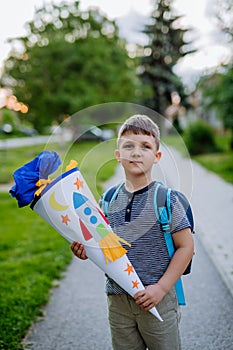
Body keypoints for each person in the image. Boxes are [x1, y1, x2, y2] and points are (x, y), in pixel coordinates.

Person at [71, 114, 194, 350]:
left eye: (145, 146)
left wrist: (161, 288)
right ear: (118, 155)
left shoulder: (165, 200)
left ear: (156, 156)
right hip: (118, 299)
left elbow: (186, 246)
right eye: (128, 146)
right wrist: (84, 248)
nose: (136, 152)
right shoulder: (107, 200)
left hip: (157, 298)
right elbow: (101, 242)